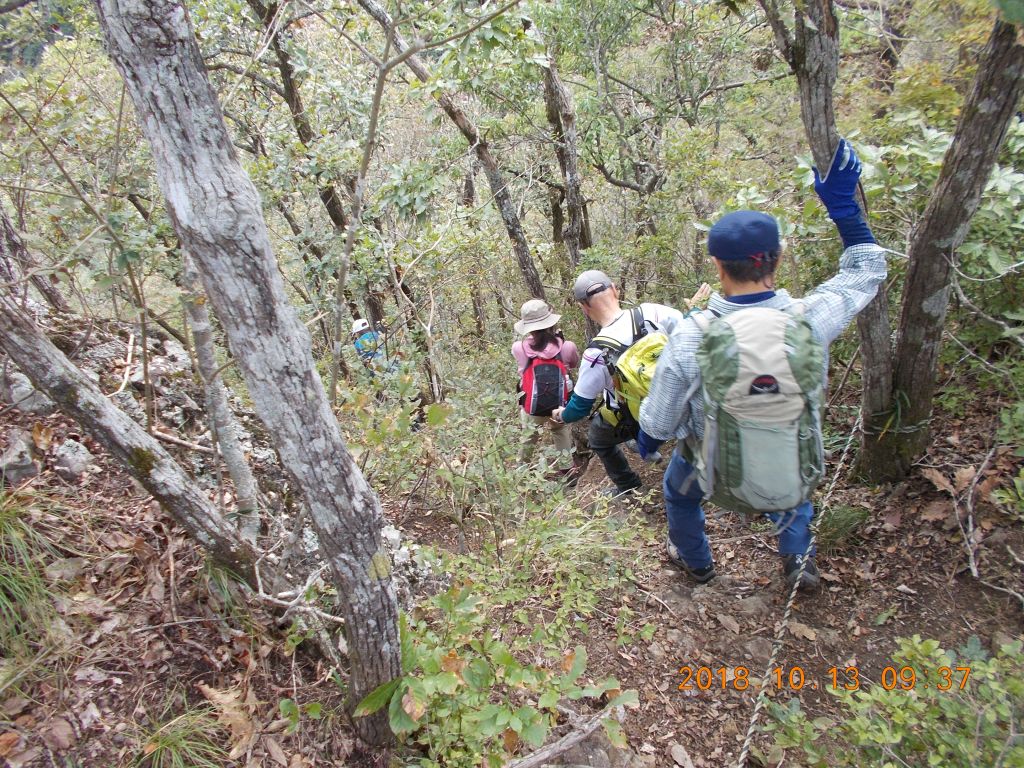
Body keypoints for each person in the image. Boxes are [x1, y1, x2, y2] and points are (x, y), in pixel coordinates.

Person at [637, 138, 887, 591]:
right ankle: (797, 560)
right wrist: (845, 212)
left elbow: (661, 415)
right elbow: (865, 273)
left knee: (677, 492)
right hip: (791, 459)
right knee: (793, 484)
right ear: (779, 257)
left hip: (714, 471)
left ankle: (698, 565)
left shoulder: (693, 334)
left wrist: (647, 440)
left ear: (717, 265)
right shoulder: (810, 320)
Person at [551, 272, 699, 497]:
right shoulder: (654, 312)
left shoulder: (595, 352)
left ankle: (629, 486)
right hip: (681, 399)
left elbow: (580, 407)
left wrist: (562, 415)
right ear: (615, 290)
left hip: (638, 415)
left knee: (598, 439)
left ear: (584, 307)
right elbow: (691, 334)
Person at [513, 299, 581, 478]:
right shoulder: (567, 346)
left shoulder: (519, 348)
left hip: (531, 405)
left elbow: (522, 372)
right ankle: (568, 471)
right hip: (559, 405)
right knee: (559, 430)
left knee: (529, 436)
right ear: (550, 321)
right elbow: (573, 364)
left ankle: (521, 472)